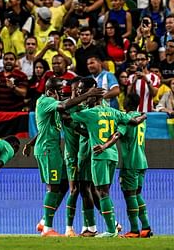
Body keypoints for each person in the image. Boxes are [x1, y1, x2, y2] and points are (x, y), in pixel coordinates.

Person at [28, 77, 105, 236]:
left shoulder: (52, 103)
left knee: (63, 185)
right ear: (50, 91)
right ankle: (47, 228)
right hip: (48, 150)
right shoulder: (46, 101)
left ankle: (44, 221)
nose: (61, 95)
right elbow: (64, 104)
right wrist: (87, 94)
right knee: (53, 188)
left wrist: (31, 142)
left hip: (52, 149)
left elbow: (47, 125)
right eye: (59, 92)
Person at [69, 80, 146, 238]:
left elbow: (69, 112)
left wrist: (77, 95)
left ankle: (111, 230)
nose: (87, 99)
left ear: (95, 97)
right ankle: (114, 227)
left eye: (90, 97)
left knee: (101, 192)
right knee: (105, 192)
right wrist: (144, 115)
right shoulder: (114, 111)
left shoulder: (90, 114)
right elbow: (133, 121)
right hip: (113, 155)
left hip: (99, 156)